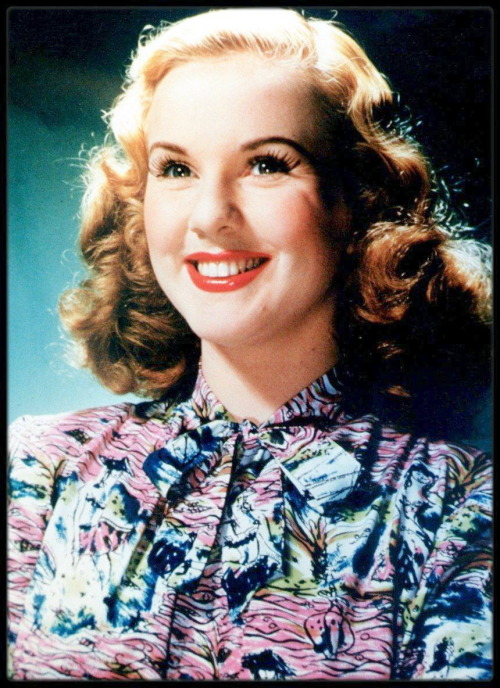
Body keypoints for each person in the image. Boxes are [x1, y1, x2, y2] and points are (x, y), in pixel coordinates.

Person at [7, 7, 492, 681]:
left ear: (357, 199)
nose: (210, 216)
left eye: (266, 164)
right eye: (175, 169)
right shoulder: (38, 474)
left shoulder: (457, 512)